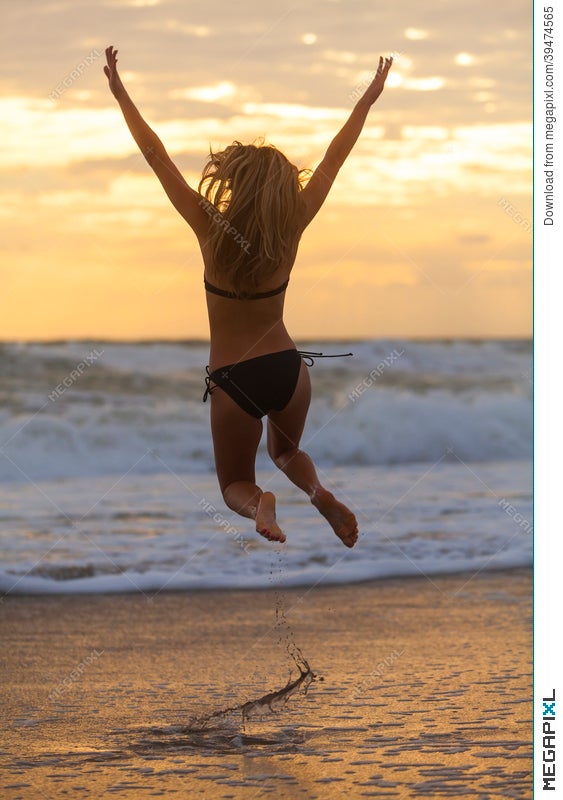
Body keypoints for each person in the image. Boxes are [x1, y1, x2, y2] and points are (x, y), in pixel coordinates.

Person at [104, 45, 393, 547]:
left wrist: (121, 95)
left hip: (233, 377)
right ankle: (318, 490)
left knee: (234, 484)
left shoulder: (208, 227)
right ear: (281, 190)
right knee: (286, 453)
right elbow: (335, 155)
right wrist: (366, 100)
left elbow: (157, 157)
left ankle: (261, 504)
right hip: (287, 368)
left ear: (234, 184)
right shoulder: (294, 224)